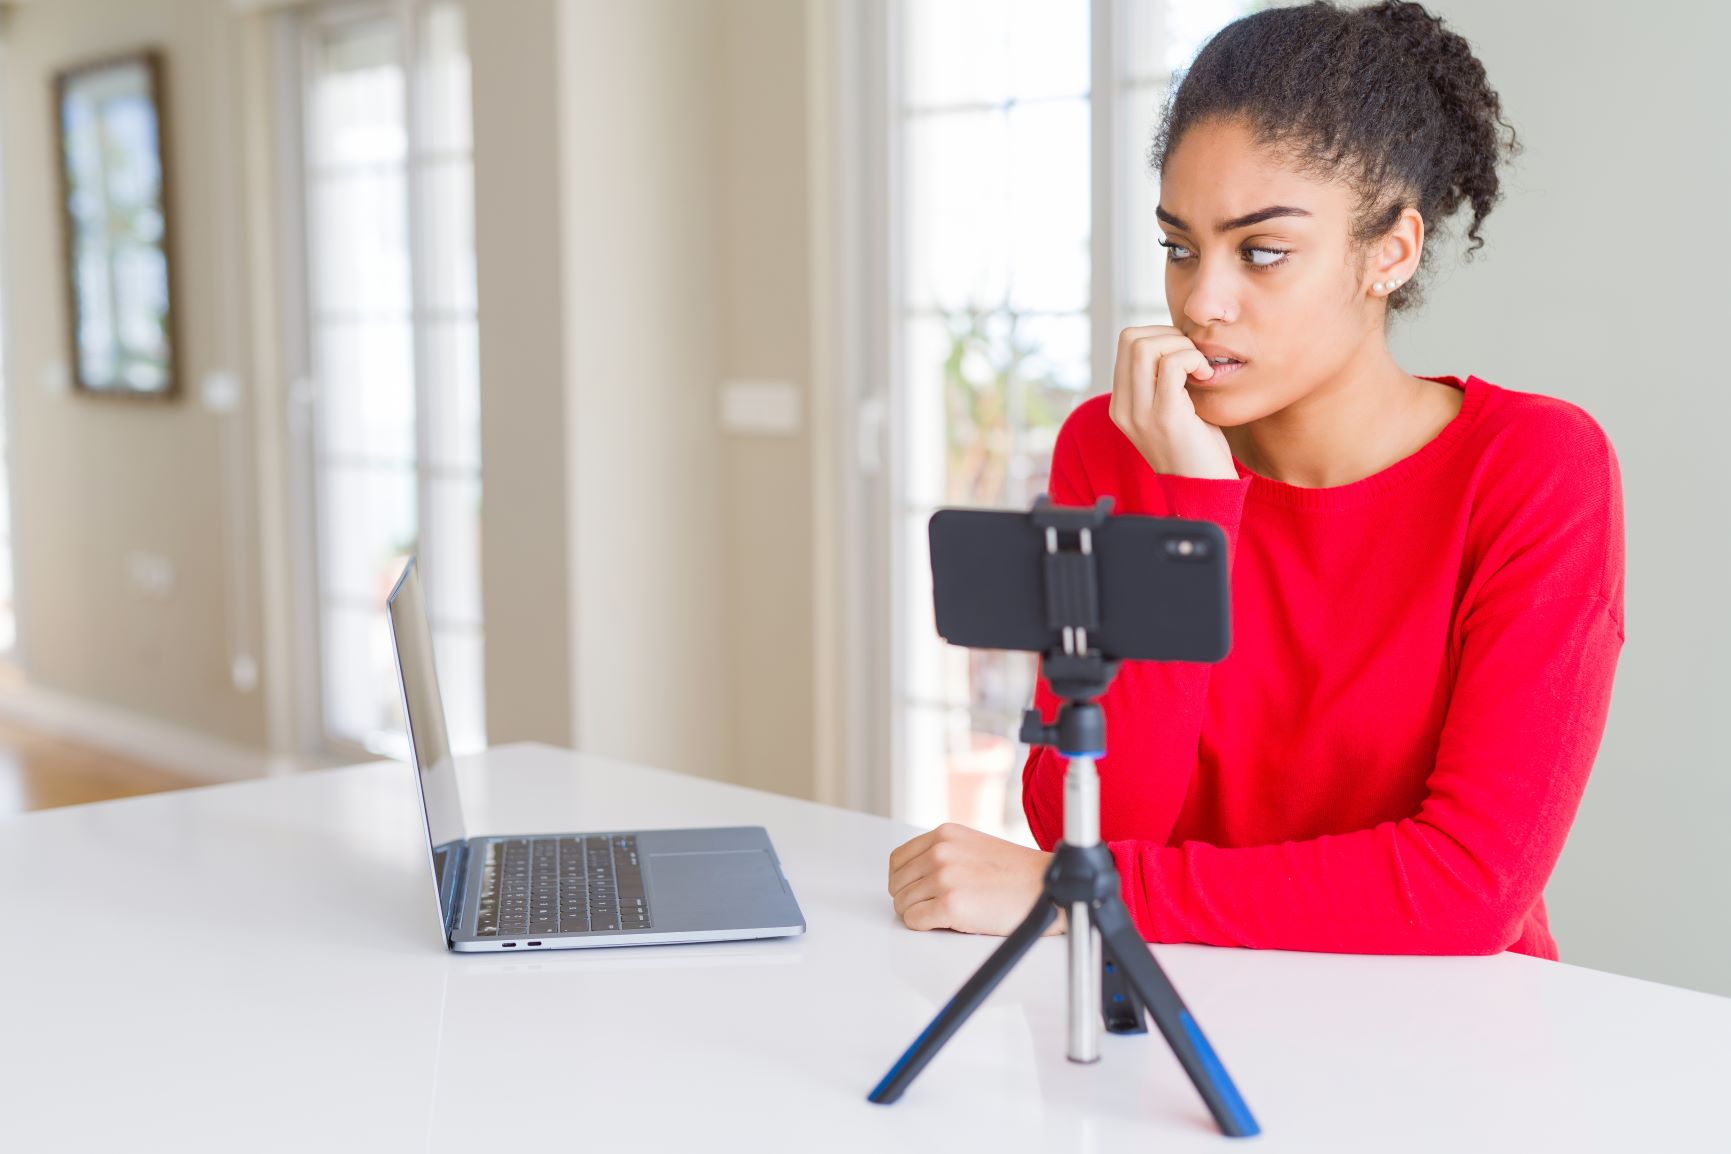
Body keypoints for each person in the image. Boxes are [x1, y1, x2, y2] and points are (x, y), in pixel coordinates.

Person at [886, 0, 1624, 960]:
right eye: (1178, 247)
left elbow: (1465, 891)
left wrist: (1082, 896)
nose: (1201, 301)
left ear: (1388, 253)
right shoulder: (1113, 449)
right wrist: (1190, 504)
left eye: (1261, 252)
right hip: (1158, 1008)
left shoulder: (1534, 471)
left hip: (1440, 1041)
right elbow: (1096, 828)